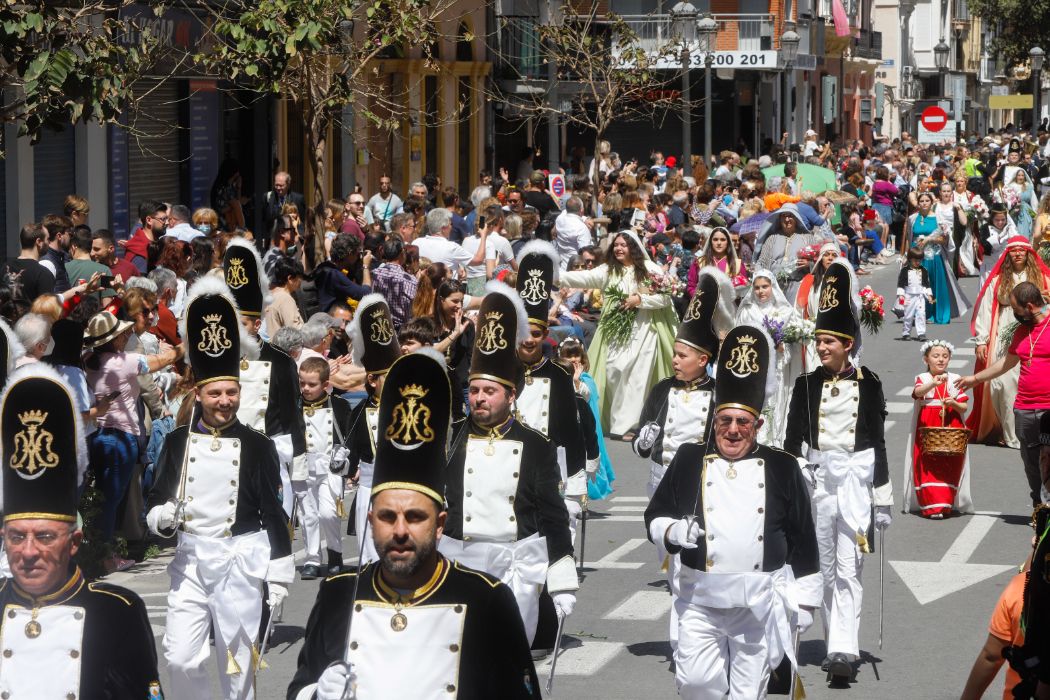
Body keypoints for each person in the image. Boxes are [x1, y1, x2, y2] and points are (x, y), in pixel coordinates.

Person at [287, 350, 540, 699]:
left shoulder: (486, 599)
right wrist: (316, 695)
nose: (400, 531)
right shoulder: (339, 594)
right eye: (388, 517)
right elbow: (299, 687)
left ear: (439, 524)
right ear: (371, 520)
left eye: (415, 517)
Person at [644, 324, 821, 700]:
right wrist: (674, 533)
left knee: (747, 692)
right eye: (725, 420)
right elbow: (655, 514)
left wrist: (806, 596)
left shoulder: (782, 466)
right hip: (699, 601)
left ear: (757, 425)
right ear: (714, 422)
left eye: (743, 422)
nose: (734, 430)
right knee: (695, 683)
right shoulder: (690, 457)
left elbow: (803, 536)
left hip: (758, 604)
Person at [145, 281, 292, 699]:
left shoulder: (258, 444)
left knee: (238, 661)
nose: (224, 400)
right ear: (199, 392)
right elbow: (155, 499)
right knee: (180, 657)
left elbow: (272, 510)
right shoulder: (177, 441)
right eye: (215, 392)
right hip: (191, 562)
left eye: (231, 392)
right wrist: (161, 517)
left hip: (237, 560)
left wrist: (279, 570)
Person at [0, 364, 162, 698]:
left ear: (74, 542)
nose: (28, 552)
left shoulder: (115, 610)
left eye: (44, 537)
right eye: (17, 537)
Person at [437, 284, 578, 649]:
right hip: (459, 561)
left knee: (507, 659)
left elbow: (552, 513)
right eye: (474, 390)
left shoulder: (535, 443)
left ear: (511, 395)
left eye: (489, 391)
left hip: (515, 566)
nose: (479, 398)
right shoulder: (451, 438)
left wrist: (561, 573)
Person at [784, 258, 892, 684]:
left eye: (830, 341)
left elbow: (877, 442)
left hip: (854, 483)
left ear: (848, 344)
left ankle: (845, 650)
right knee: (824, 566)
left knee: (850, 568)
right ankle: (832, 642)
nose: (822, 347)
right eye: (819, 341)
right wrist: (799, 470)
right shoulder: (804, 385)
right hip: (818, 485)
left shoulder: (871, 384)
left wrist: (881, 495)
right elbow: (792, 439)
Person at [633, 267, 731, 651]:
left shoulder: (718, 391)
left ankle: (684, 637)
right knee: (668, 557)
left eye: (682, 355)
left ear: (704, 359)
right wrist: (645, 441)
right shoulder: (662, 388)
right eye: (675, 354)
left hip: (698, 479)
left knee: (688, 562)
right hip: (662, 480)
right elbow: (643, 441)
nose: (675, 361)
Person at [84, 309, 181, 571]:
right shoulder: (124, 361)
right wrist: (179, 348)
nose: (125, 336)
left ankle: (99, 550)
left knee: (103, 497)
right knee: (112, 499)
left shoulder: (88, 360)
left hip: (97, 436)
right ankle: (105, 557)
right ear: (113, 340)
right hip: (122, 437)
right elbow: (163, 360)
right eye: (121, 333)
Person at [558, 229, 679, 436]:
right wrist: (548, 273)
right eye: (616, 245)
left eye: (623, 245)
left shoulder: (650, 269)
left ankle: (626, 426)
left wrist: (640, 300)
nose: (619, 248)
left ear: (633, 247)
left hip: (644, 332)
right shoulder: (608, 270)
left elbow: (665, 299)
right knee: (615, 370)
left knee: (637, 378)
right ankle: (616, 420)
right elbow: (582, 278)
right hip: (615, 333)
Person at [222, 238, 308, 518]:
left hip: (271, 450)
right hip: (230, 453)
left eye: (242, 323)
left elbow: (293, 415)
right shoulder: (222, 358)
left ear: (257, 324)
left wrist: (298, 464)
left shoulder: (280, 361)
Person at [514, 241, 591, 530]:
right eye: (524, 333)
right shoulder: (503, 373)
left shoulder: (559, 374)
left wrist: (576, 484)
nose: (529, 340)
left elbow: (571, 432)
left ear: (546, 333)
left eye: (535, 333)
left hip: (549, 468)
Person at [958, 281, 1050, 506]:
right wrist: (975, 379)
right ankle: (1039, 504)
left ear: (1030, 306)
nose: (1015, 315)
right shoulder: (1021, 331)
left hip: (1049, 408)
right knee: (1030, 460)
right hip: (1025, 407)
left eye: (1017, 310)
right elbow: (1006, 363)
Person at [968, 237, 1050, 448]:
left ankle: (1023, 433)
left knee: (1022, 378)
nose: (1018, 254)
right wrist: (982, 340)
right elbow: (986, 309)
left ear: (1029, 253)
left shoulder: (1041, 277)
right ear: (1008, 255)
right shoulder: (998, 279)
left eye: (1022, 250)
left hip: (1034, 330)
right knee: (1000, 382)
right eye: (1013, 251)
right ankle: (1009, 431)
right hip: (1003, 329)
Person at [343, 294, 402, 565]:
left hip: (401, 484)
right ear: (371, 379)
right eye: (387, 377)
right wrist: (344, 465)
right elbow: (351, 451)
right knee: (369, 554)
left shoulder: (410, 408)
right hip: (368, 486)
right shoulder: (359, 412)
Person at [295, 356, 353, 579]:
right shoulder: (294, 405)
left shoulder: (339, 405)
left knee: (329, 513)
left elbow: (349, 437)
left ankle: (335, 554)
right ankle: (312, 558)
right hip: (302, 466)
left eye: (312, 384)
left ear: (326, 385)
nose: (306, 388)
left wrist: (350, 463)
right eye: (302, 383)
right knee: (308, 514)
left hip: (330, 467)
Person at [902, 339, 972, 518]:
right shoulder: (923, 378)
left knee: (950, 462)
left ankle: (946, 503)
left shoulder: (955, 379)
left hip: (951, 424)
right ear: (926, 359)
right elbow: (917, 393)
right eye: (936, 356)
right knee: (927, 461)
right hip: (928, 425)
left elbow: (964, 407)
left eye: (945, 356)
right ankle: (931, 505)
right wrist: (934, 383)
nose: (941, 360)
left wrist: (954, 402)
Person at [735, 268, 804, 447]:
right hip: (753, 367)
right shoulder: (747, 311)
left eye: (765, 286)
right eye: (757, 287)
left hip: (777, 368)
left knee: (776, 404)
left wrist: (783, 347)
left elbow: (794, 341)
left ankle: (775, 441)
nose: (761, 291)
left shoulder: (784, 311)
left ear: (772, 287)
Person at [558, 337, 615, 500]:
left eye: (577, 355)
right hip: (566, 426)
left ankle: (583, 496)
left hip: (583, 427)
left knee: (584, 460)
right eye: (569, 355)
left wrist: (575, 380)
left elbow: (587, 396)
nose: (574, 359)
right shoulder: (558, 378)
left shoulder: (586, 379)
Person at [907, 191, 970, 325]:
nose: (924, 203)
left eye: (927, 201)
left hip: (933, 256)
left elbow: (944, 240)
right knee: (916, 284)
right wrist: (906, 255)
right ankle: (918, 313)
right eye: (921, 201)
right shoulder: (912, 218)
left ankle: (932, 313)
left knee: (932, 284)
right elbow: (908, 238)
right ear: (918, 203)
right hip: (916, 256)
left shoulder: (938, 218)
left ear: (931, 203)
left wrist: (929, 239)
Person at [755, 203, 825, 302]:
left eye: (790, 216)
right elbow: (761, 262)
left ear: (796, 218)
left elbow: (820, 263)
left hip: (798, 287)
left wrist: (809, 264)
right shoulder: (772, 238)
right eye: (784, 216)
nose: (787, 219)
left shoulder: (807, 238)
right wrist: (759, 278)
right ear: (779, 219)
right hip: (774, 287)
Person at [313, 233, 373, 312]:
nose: (358, 256)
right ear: (349, 254)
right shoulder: (334, 274)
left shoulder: (324, 267)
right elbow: (366, 294)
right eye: (357, 253)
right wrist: (366, 266)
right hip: (331, 321)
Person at [369, 237, 418, 329]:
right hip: (400, 330)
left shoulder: (373, 274)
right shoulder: (410, 280)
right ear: (402, 253)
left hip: (376, 326)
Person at [896, 247, 934, 341]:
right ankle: (906, 332)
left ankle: (921, 333)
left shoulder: (924, 270)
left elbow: (927, 283)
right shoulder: (904, 270)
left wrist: (929, 295)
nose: (918, 262)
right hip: (908, 296)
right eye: (915, 260)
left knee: (921, 314)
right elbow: (900, 284)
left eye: (920, 260)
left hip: (920, 296)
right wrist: (901, 295)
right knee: (908, 315)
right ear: (910, 259)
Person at [980, 203, 1020, 286]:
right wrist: (1000, 236)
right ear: (992, 219)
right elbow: (986, 247)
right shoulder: (985, 228)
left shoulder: (1010, 228)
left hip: (1006, 266)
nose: (1000, 222)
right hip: (990, 268)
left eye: (1003, 220)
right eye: (997, 220)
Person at [261, 171, 306, 240]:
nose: (278, 188)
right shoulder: (267, 197)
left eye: (281, 185)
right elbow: (264, 220)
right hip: (273, 240)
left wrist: (299, 238)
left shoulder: (298, 199)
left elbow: (301, 222)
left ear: (288, 185)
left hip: (291, 240)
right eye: (276, 185)